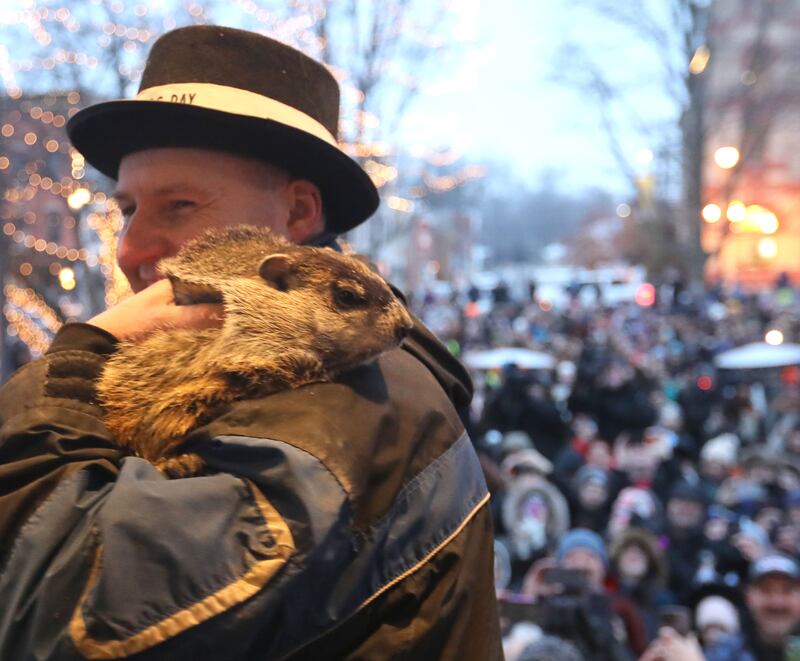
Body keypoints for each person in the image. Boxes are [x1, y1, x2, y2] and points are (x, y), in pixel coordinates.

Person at [0, 26, 502, 660]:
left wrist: (79, 357)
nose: (129, 248)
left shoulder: (337, 403)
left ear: (296, 216)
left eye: (179, 205)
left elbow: (53, 617)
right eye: (127, 209)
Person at [743, 554, 800, 661]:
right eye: (766, 590)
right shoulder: (723, 653)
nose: (777, 603)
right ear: (749, 597)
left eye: (787, 590)